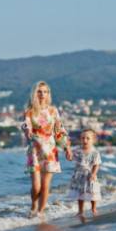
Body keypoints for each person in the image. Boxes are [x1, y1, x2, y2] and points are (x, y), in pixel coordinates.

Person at [22, 81, 72, 218]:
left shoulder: (53, 111)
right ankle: (33, 205)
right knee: (36, 186)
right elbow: (26, 126)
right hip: (35, 152)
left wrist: (67, 148)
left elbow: (59, 130)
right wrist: (27, 132)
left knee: (45, 185)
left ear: (48, 94)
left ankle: (40, 213)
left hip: (50, 151)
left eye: (45, 91)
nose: (42, 94)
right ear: (34, 93)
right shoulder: (29, 111)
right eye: (39, 91)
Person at [68, 129, 102, 217]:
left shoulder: (95, 152)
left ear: (93, 140)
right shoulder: (77, 150)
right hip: (79, 175)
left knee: (93, 193)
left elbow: (96, 164)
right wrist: (67, 150)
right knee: (80, 194)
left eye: (88, 138)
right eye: (83, 138)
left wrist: (94, 174)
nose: (85, 140)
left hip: (90, 175)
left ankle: (93, 208)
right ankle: (80, 211)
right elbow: (70, 158)